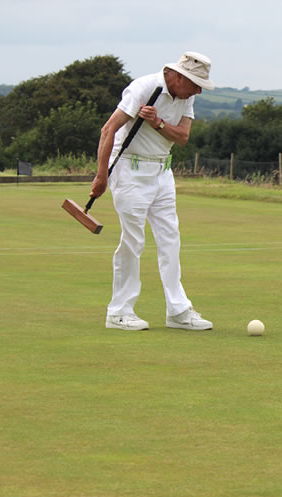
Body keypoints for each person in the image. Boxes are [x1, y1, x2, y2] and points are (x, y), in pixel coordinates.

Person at [91, 52, 216, 330]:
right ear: (178, 76)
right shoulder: (144, 88)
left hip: (163, 171)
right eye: (194, 84)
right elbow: (108, 129)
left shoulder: (187, 97)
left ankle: (178, 310)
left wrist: (157, 123)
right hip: (130, 170)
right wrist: (101, 175)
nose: (197, 90)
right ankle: (119, 311)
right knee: (133, 240)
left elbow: (182, 137)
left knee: (170, 239)